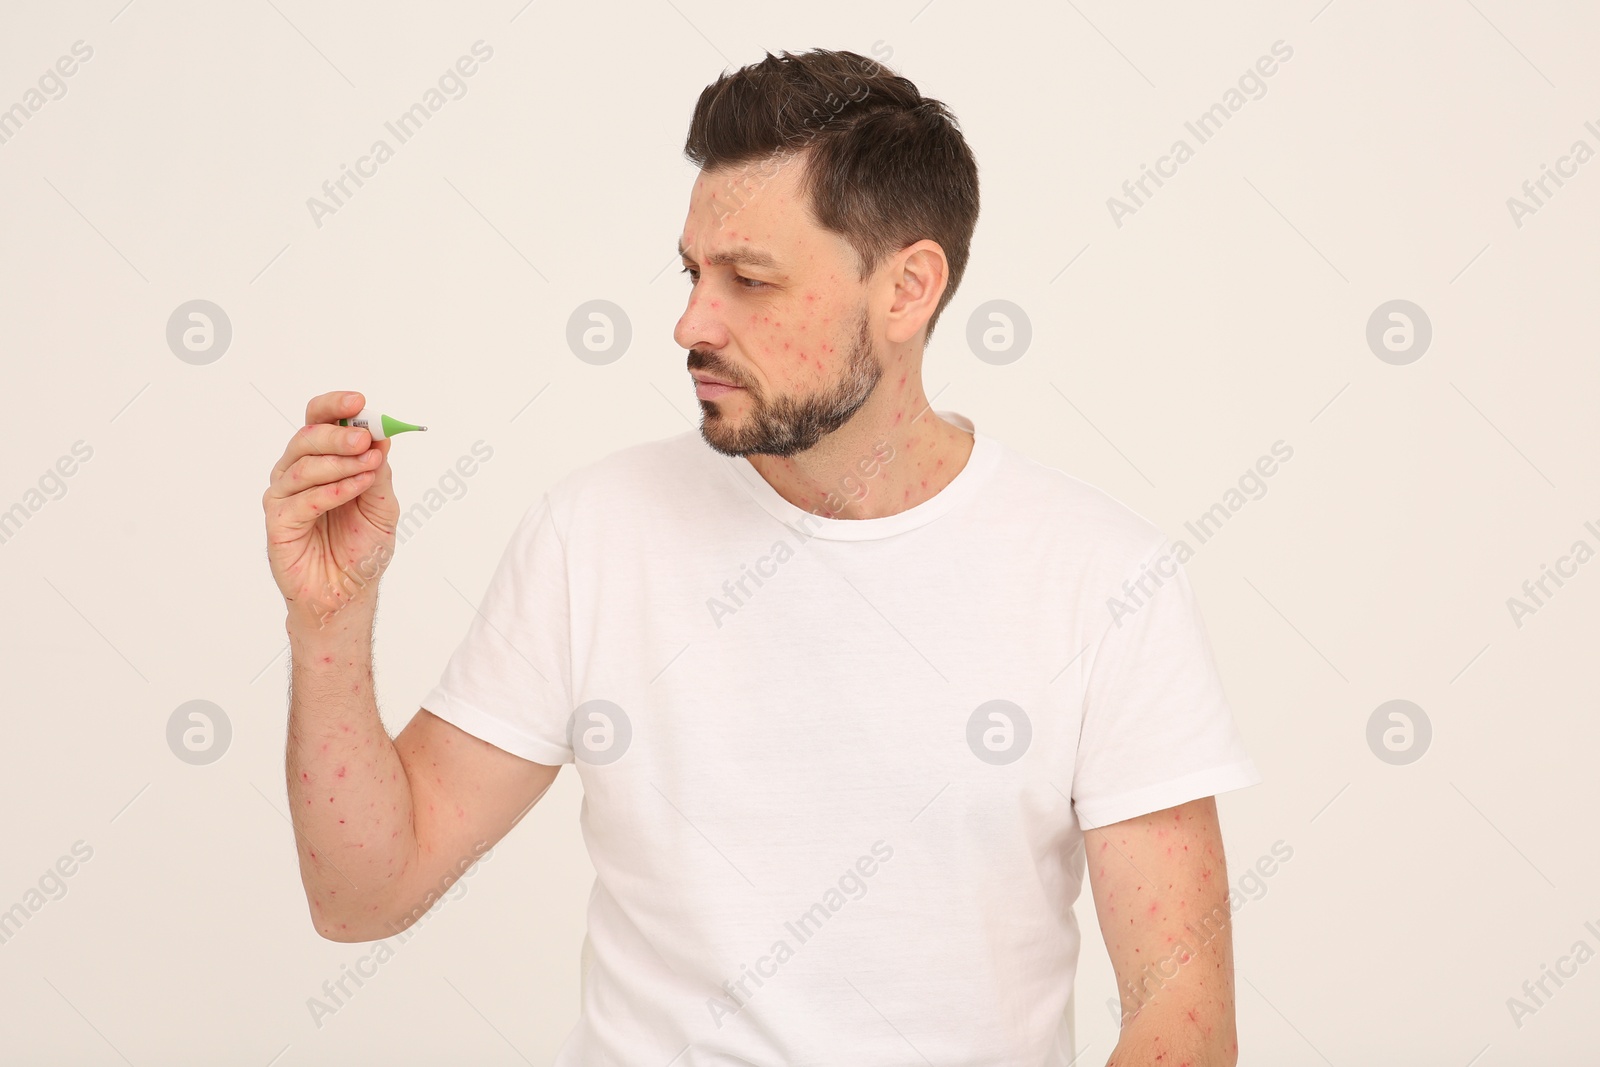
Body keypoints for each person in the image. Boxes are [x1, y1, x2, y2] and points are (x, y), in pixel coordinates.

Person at [262, 48, 1260, 1067]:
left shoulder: (1102, 577)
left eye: (749, 279)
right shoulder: (594, 534)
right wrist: (329, 623)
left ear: (909, 288)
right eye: (693, 273)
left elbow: (1182, 1023)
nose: (690, 322)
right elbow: (361, 897)